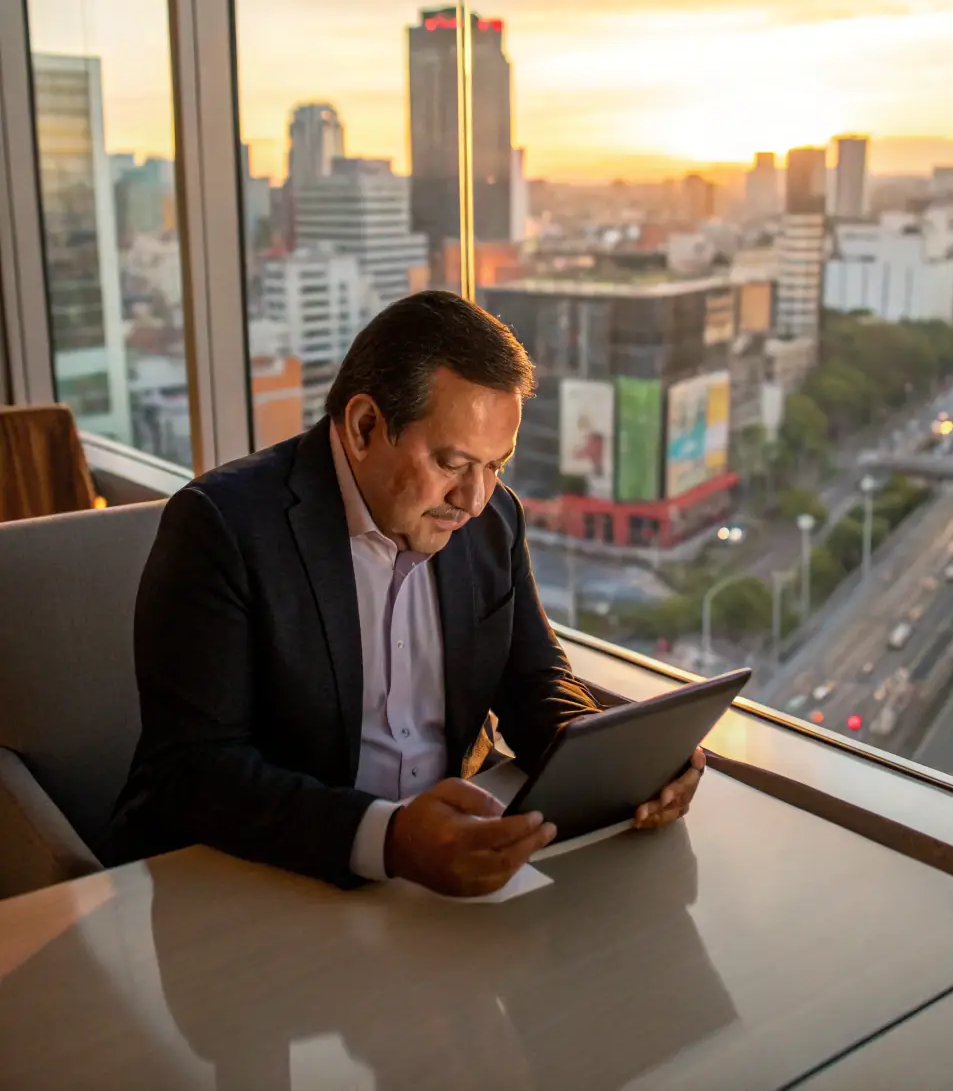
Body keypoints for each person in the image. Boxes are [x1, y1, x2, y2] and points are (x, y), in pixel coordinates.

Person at [107, 291, 704, 896]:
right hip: (257, 879)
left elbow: (533, 680)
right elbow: (193, 771)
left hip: (443, 874)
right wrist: (389, 839)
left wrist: (625, 769)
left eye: (496, 464)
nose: (474, 499)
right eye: (453, 463)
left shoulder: (493, 516)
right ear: (365, 427)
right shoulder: (221, 527)